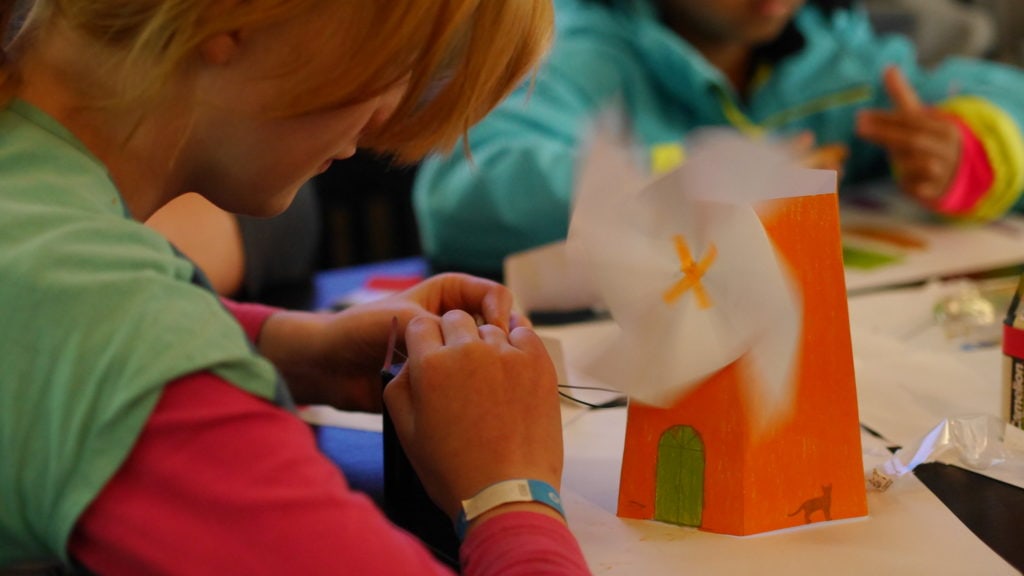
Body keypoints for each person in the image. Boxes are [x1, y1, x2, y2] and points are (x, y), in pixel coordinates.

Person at [0, 1, 592, 575]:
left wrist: (285, 347)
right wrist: (511, 493)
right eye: (393, 56)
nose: (386, 113)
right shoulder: (111, 333)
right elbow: (93, 335)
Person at [412, 0, 1024, 279]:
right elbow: (459, 195)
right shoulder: (571, 49)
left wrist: (972, 149)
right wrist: (699, 178)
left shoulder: (835, 45)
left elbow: (983, 91)